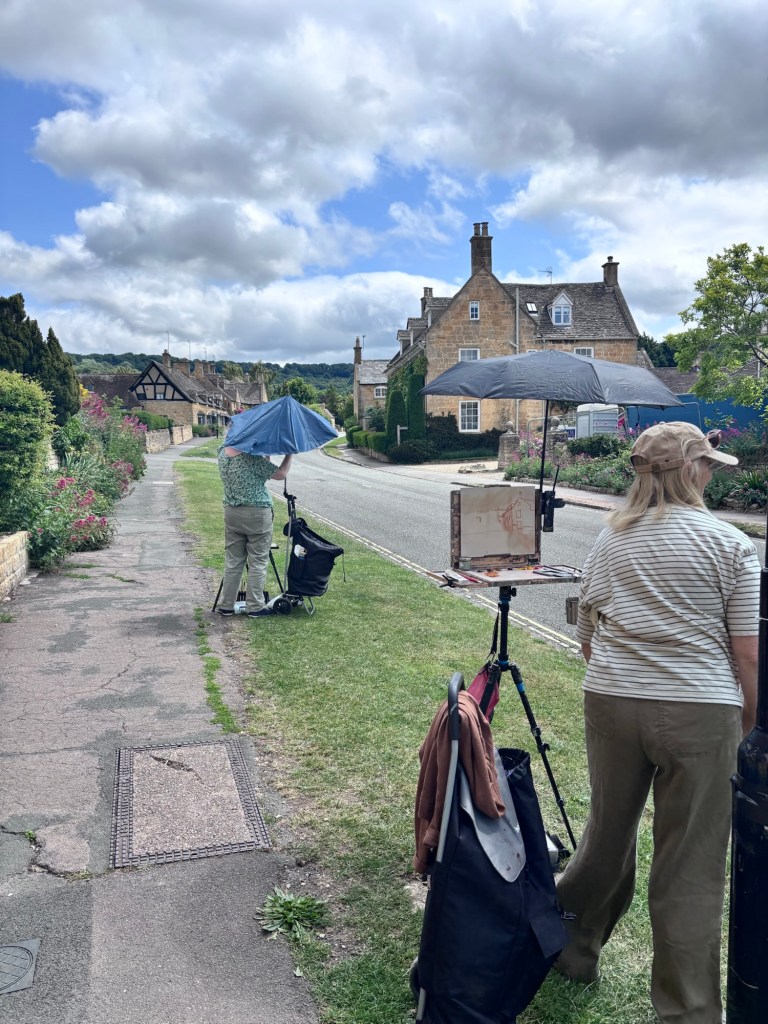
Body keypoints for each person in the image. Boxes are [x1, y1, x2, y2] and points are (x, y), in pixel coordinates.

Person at [555, 422, 759, 1024]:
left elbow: (588, 633)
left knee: (606, 833)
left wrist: (628, 676)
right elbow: (748, 654)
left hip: (612, 700)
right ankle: (687, 1012)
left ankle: (568, 948)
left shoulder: (610, 539)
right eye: (709, 464)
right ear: (690, 469)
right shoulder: (729, 544)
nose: (712, 474)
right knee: (690, 866)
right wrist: (749, 722)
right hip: (701, 709)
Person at [216, 443, 292, 618]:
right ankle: (255, 606)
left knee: (234, 560)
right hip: (256, 513)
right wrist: (290, 454)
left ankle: (226, 605)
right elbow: (280, 474)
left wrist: (265, 454)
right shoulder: (251, 457)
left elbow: (258, 473)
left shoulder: (222, 452)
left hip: (232, 511)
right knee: (258, 560)